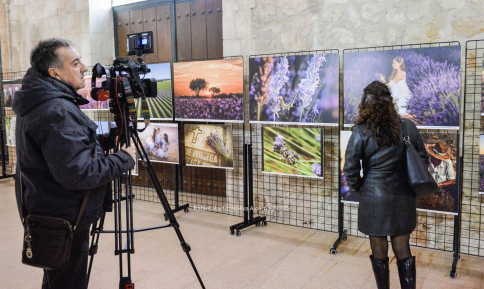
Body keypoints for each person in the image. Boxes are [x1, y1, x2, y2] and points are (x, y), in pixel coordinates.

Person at [12, 38, 137, 289]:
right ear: (54, 72)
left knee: (57, 279)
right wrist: (125, 158)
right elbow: (78, 173)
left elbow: (59, 154)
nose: (84, 68)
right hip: (65, 217)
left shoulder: (37, 101)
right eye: (76, 63)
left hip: (47, 210)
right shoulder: (57, 110)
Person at [343, 81, 428, 289]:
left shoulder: (360, 131)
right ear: (390, 102)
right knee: (403, 249)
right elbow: (423, 162)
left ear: (366, 103)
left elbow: (351, 170)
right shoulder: (407, 127)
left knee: (379, 251)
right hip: (403, 196)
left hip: (374, 198)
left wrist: (361, 189)